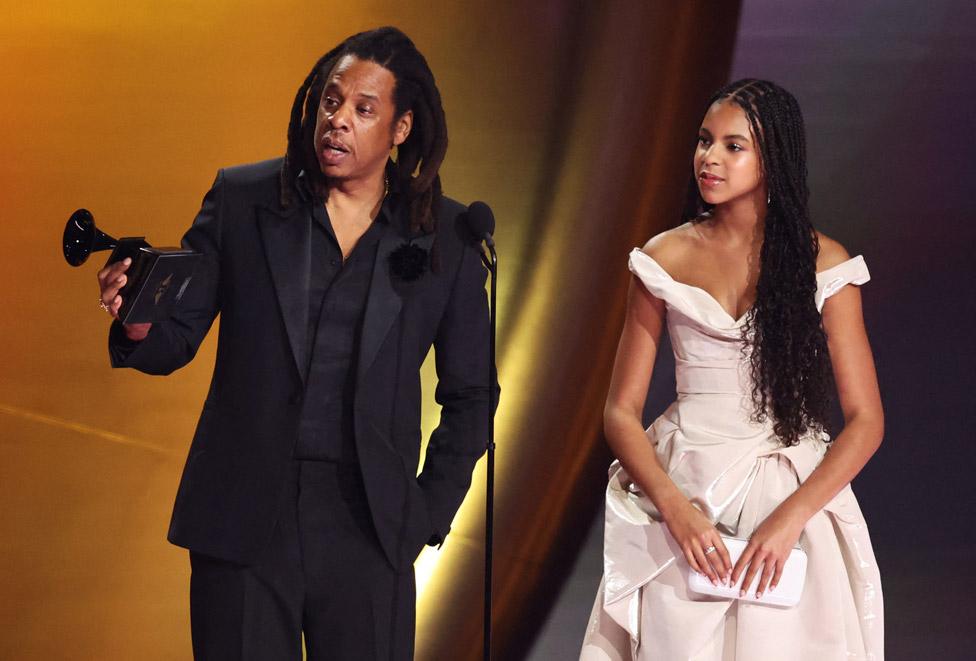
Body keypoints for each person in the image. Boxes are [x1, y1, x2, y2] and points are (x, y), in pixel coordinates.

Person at [96, 27, 494, 661]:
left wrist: (422, 513)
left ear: (401, 127)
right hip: (245, 516)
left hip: (370, 526)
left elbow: (472, 396)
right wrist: (137, 320)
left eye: (363, 109)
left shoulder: (446, 234)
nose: (337, 121)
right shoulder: (244, 200)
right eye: (331, 101)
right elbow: (175, 338)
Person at [580, 79, 884, 660]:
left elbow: (866, 419)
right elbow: (621, 411)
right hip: (683, 493)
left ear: (772, 159)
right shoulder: (662, 257)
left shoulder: (826, 263)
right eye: (703, 141)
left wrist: (791, 518)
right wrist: (675, 511)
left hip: (788, 494)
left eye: (732, 145)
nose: (709, 158)